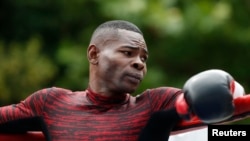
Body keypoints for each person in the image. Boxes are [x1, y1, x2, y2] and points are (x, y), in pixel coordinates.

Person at [0, 20, 250, 141]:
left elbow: (227, 107)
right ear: (94, 54)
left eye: (144, 57)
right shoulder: (50, 103)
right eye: (128, 53)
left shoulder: (154, 103)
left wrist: (229, 93)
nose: (140, 62)